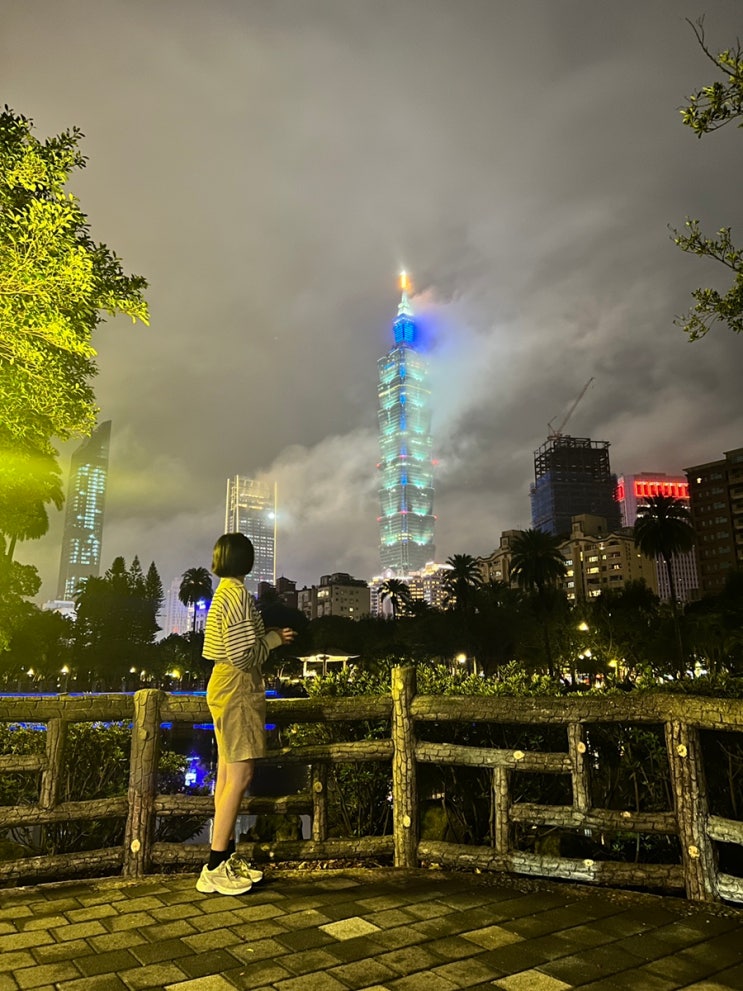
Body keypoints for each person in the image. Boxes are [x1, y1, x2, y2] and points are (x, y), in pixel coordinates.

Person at [196, 532, 296, 895]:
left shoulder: (224, 591)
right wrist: (273, 640)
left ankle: (224, 856)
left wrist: (265, 636)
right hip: (237, 685)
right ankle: (214, 865)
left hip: (223, 682)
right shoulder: (236, 594)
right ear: (246, 560)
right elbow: (242, 655)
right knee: (241, 774)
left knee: (227, 773)